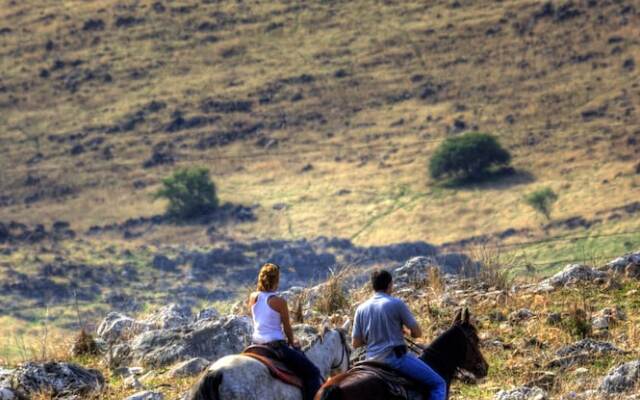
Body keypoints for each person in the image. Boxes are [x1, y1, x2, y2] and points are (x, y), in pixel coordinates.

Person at [352, 270, 446, 400]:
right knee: (439, 383)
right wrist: (407, 332)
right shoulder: (396, 303)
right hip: (395, 360)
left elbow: (356, 343)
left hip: (370, 360)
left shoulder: (361, 309)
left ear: (373, 286)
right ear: (390, 285)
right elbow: (418, 333)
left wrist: (374, 336)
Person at [248, 263, 323, 400]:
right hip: (275, 346)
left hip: (255, 344)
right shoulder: (279, 302)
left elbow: (257, 318)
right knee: (313, 373)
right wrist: (292, 342)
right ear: (276, 280)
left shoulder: (253, 297)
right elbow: (287, 327)